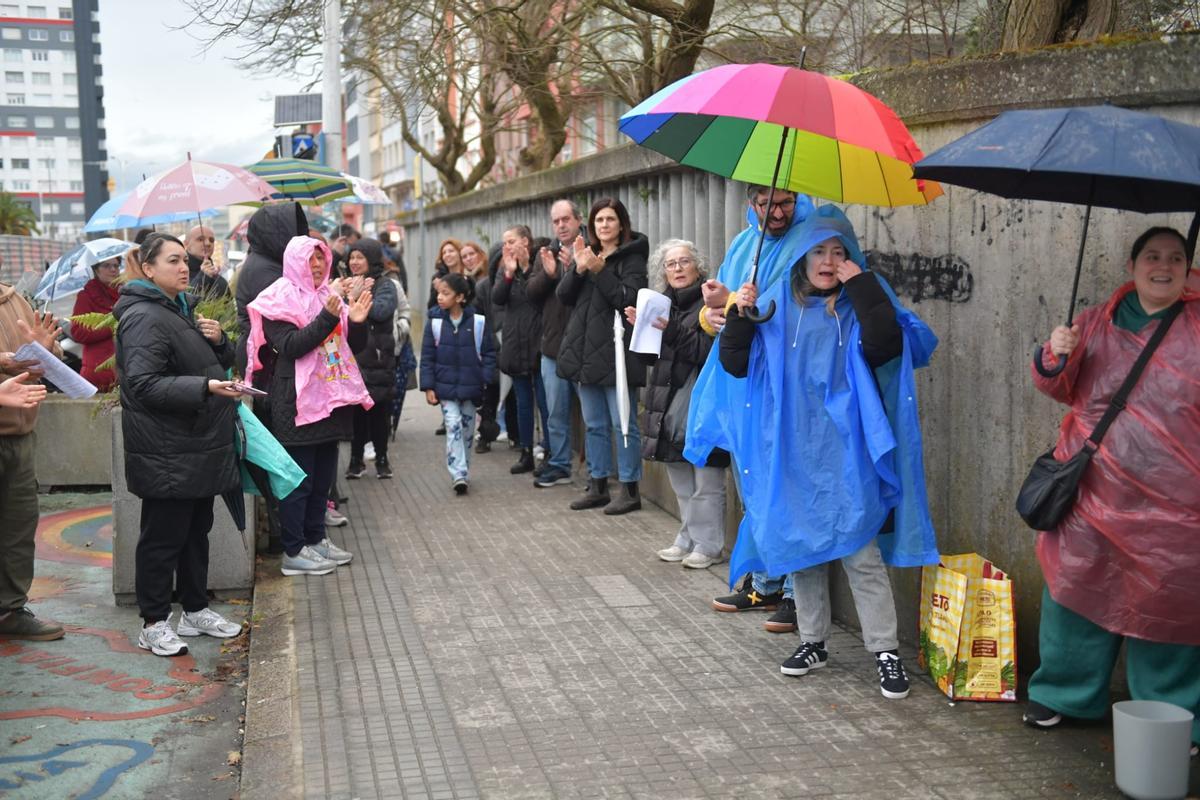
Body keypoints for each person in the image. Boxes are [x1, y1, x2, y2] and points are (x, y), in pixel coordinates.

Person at [719, 206, 938, 699]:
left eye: (839, 252)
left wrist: (860, 283)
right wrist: (740, 313)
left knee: (860, 552)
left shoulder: (860, 303)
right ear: (800, 256)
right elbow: (735, 364)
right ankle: (813, 640)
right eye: (819, 250)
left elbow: (888, 345)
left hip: (847, 450)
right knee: (803, 553)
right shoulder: (773, 303)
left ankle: (884, 650)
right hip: (791, 447)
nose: (828, 259)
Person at [1023, 227, 1199, 754]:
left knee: (1173, 607)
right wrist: (1055, 354)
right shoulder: (1095, 320)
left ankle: (1177, 714)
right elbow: (1059, 387)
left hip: (1178, 500)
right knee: (1074, 590)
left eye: (1175, 257)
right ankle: (1064, 694)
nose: (1163, 266)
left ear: (1189, 267)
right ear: (1132, 263)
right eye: (1152, 256)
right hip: (1095, 491)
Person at [688, 184, 815, 633]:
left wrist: (756, 306)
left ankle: (802, 596)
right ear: (750, 204)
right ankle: (765, 582)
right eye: (766, 204)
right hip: (744, 384)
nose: (777, 212)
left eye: (786, 203)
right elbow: (715, 317)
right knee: (754, 482)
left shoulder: (812, 240)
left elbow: (811, 309)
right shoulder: (745, 244)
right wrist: (713, 311)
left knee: (791, 485)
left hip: (791, 383)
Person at [112, 233, 245, 656]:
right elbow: (144, 384)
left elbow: (205, 362)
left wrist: (220, 341)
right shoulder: (145, 316)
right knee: (163, 538)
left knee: (195, 533)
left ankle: (194, 609)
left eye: (184, 260)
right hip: (167, 449)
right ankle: (153, 621)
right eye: (172, 261)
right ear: (147, 269)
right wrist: (205, 386)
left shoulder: (180, 308)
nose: (183, 267)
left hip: (197, 445)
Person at [246, 236, 374, 577]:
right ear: (293, 261)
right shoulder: (277, 299)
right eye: (310, 259)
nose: (317, 265)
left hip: (330, 401)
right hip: (296, 403)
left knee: (322, 480)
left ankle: (316, 539)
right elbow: (291, 346)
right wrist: (327, 319)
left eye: (321, 258)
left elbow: (350, 347)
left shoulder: (326, 298)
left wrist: (357, 321)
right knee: (298, 482)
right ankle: (294, 549)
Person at [626, 239, 729, 569]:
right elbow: (648, 358)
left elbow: (703, 351)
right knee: (682, 482)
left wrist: (669, 331)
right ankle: (687, 536)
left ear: (698, 267)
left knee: (707, 483)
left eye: (685, 261)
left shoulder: (710, 301)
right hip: (666, 405)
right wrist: (639, 328)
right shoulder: (660, 303)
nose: (678, 269)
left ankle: (709, 544)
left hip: (702, 406)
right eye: (671, 264)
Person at [556, 197, 649, 515]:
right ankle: (597, 484)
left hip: (617, 353)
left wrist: (599, 271)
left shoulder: (633, 259)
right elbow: (564, 297)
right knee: (593, 423)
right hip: (585, 352)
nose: (604, 225)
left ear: (622, 224)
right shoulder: (588, 253)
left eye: (610, 219)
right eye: (599, 220)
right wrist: (579, 269)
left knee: (623, 422)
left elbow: (627, 300)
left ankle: (629, 488)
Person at [0, 284, 63, 641]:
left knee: (18, 529)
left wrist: (45, 351)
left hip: (21, 434)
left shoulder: (15, 299)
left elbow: (37, 365)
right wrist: (5, 360)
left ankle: (10, 610)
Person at [420, 273, 496, 495]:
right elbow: (427, 358)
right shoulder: (434, 323)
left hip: (471, 388)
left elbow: (489, 353)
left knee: (467, 431)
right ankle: (458, 473)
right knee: (452, 425)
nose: (440, 297)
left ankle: (463, 470)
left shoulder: (478, 322)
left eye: (446, 293)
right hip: (445, 389)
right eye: (438, 293)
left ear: (461, 297)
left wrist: (485, 378)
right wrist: (428, 387)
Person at [526, 199, 582, 488]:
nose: (561, 225)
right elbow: (531, 294)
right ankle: (560, 464)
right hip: (552, 347)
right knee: (555, 412)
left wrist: (575, 270)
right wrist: (548, 275)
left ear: (578, 219)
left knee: (594, 417)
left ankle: (597, 472)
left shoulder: (591, 249)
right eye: (556, 221)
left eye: (566, 220)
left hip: (585, 348)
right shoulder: (546, 252)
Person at [491, 224, 549, 475]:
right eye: (504, 242)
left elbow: (537, 295)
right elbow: (497, 298)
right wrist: (508, 273)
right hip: (515, 343)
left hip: (539, 341)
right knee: (523, 402)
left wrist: (524, 270)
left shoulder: (540, 263)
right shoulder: (505, 268)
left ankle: (549, 450)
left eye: (511, 241)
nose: (507, 247)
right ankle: (526, 451)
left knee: (546, 403)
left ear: (526, 241)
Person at [342, 238, 397, 480]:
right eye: (351, 257)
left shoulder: (386, 284)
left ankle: (382, 459)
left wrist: (357, 296)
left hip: (377, 357)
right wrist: (346, 296)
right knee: (355, 414)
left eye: (359, 257)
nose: (354, 262)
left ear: (372, 259)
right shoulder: (343, 285)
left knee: (379, 412)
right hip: (352, 358)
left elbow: (382, 311)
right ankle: (356, 460)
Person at [70, 256, 122, 391]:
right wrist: (112, 326)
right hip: (97, 371)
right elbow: (78, 333)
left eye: (116, 266)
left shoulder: (124, 294)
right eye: (106, 266)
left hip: (123, 368)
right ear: (96, 270)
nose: (113, 270)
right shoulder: (86, 296)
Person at [184, 225, 231, 299]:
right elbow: (183, 302)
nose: (208, 243)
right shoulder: (178, 275)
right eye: (200, 239)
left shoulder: (220, 281)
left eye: (211, 240)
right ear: (186, 244)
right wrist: (203, 277)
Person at [427, 238, 464, 309]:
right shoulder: (438, 278)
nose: (447, 254)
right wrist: (439, 291)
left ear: (460, 253)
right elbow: (431, 306)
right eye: (444, 253)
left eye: (451, 251)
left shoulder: (468, 275)